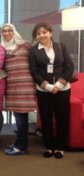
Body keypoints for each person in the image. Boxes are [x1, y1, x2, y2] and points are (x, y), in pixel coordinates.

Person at [28, 22, 74, 159]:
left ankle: (60, 147)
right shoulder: (34, 50)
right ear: (36, 37)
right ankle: (49, 146)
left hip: (63, 89)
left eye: (44, 32)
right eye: (38, 33)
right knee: (46, 119)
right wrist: (47, 86)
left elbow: (69, 66)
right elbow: (33, 71)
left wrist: (59, 85)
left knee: (62, 118)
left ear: (50, 33)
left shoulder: (61, 47)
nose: (42, 35)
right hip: (43, 90)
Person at [0, 24, 37, 155]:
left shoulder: (25, 45)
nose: (6, 33)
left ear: (14, 31)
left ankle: (21, 146)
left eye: (9, 30)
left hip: (25, 85)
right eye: (4, 31)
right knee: (18, 116)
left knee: (22, 117)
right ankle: (21, 142)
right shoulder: (2, 49)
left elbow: (35, 61)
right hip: (12, 86)